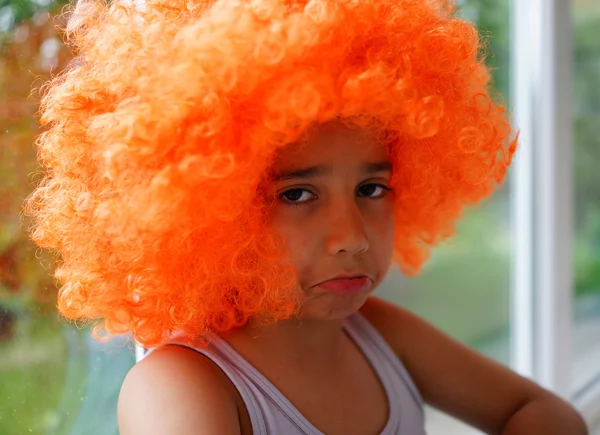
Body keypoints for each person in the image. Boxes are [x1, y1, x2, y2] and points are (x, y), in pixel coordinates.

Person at [25, 0, 588, 434]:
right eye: (297, 194)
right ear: (207, 213)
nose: (350, 236)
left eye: (371, 187)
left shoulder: (377, 336)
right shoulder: (184, 385)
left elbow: (539, 411)